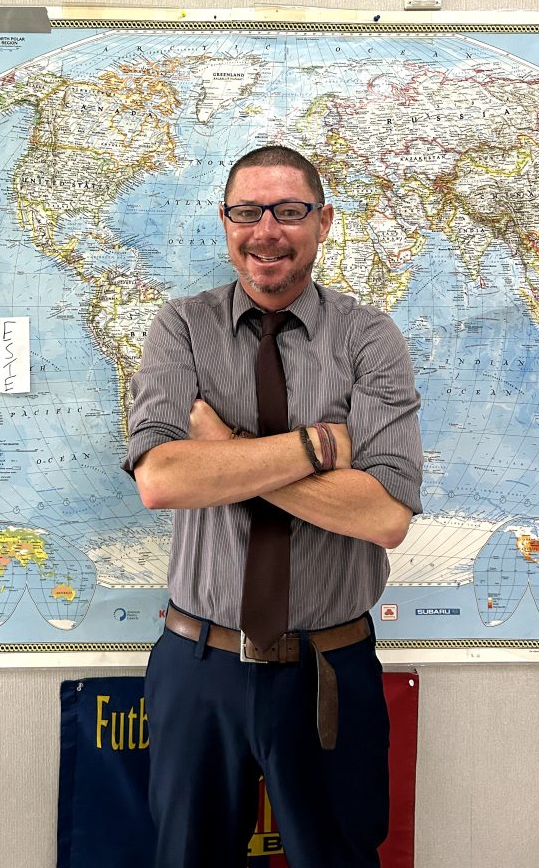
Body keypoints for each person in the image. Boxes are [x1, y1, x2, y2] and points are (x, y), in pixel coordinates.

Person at [123, 145, 422, 868]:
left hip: (329, 670)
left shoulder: (368, 338)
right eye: (248, 211)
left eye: (289, 212)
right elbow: (161, 479)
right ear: (225, 222)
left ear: (323, 223)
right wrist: (321, 446)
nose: (267, 231)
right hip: (199, 669)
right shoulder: (180, 329)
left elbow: (384, 516)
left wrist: (221, 449)